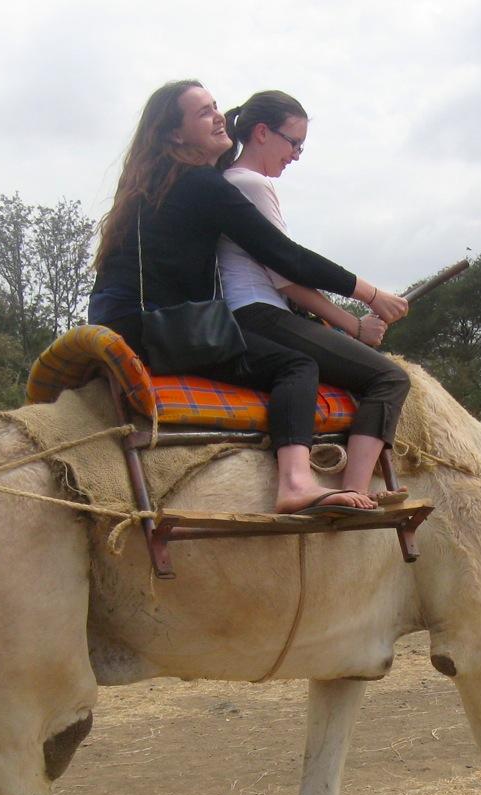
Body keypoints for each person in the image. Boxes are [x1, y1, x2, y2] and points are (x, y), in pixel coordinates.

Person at [88, 80, 409, 514]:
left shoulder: (152, 188)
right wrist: (368, 294)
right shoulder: (202, 184)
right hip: (162, 330)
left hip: (121, 322)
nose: (219, 115)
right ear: (175, 135)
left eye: (215, 106)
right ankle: (296, 483)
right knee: (296, 365)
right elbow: (284, 258)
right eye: (203, 112)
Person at [213, 90, 412, 510]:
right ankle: (354, 488)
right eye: (294, 143)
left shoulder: (229, 182)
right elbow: (287, 275)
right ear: (263, 133)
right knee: (390, 379)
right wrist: (356, 324)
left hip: (252, 313)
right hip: (259, 313)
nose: (297, 155)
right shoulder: (250, 184)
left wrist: (347, 324)